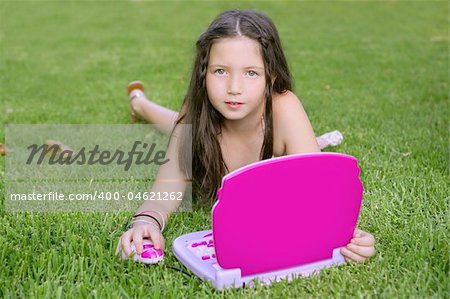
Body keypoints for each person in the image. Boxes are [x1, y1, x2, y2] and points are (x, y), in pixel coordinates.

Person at [116, 9, 375, 264]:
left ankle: (140, 104)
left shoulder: (284, 108)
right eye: (220, 71)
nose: (234, 88)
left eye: (251, 73)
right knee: (179, 124)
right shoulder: (196, 112)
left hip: (262, 127)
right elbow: (168, 186)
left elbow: (317, 196)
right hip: (197, 121)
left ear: (270, 77)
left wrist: (350, 239)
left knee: (178, 123)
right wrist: (146, 221)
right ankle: (140, 104)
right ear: (203, 74)